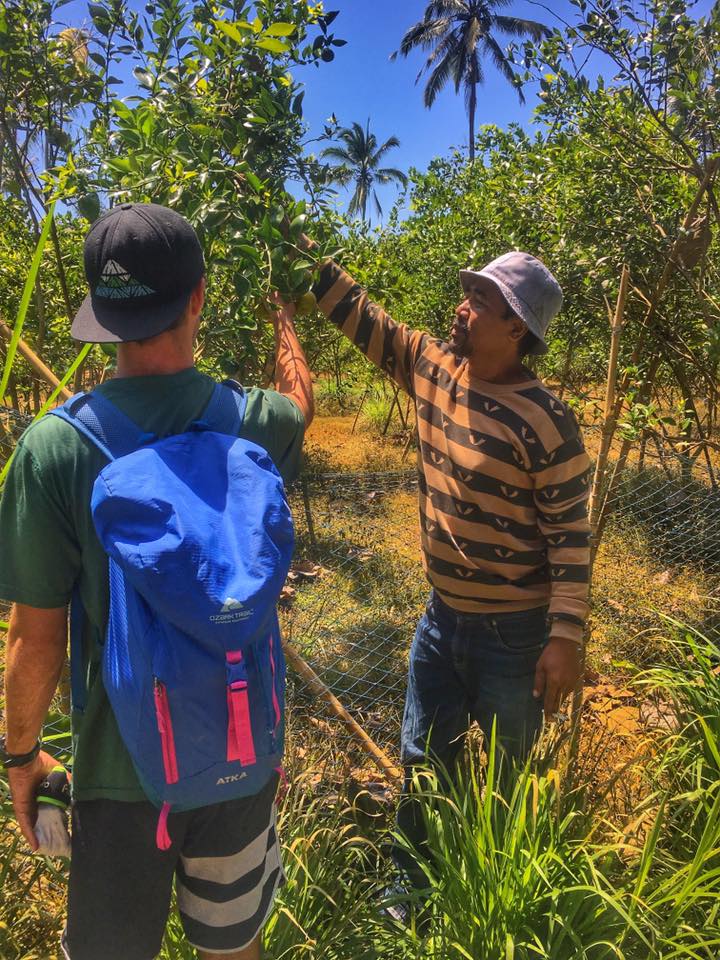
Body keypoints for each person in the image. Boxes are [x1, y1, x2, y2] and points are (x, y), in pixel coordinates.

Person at [0, 202, 314, 960]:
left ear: (102, 318)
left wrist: (21, 758)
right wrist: (284, 318)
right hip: (241, 753)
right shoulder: (260, 423)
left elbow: (35, 642)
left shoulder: (53, 449)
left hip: (121, 778)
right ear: (198, 297)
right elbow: (302, 401)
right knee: (234, 946)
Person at [307, 248, 591, 903]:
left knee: (509, 777)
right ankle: (409, 889)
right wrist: (306, 263)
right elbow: (367, 320)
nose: (461, 308)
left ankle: (494, 896)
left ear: (516, 327)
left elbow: (570, 536)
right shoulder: (434, 368)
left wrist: (565, 636)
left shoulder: (546, 420)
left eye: (479, 301)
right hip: (441, 620)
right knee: (423, 759)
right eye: (467, 295)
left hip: (515, 637)